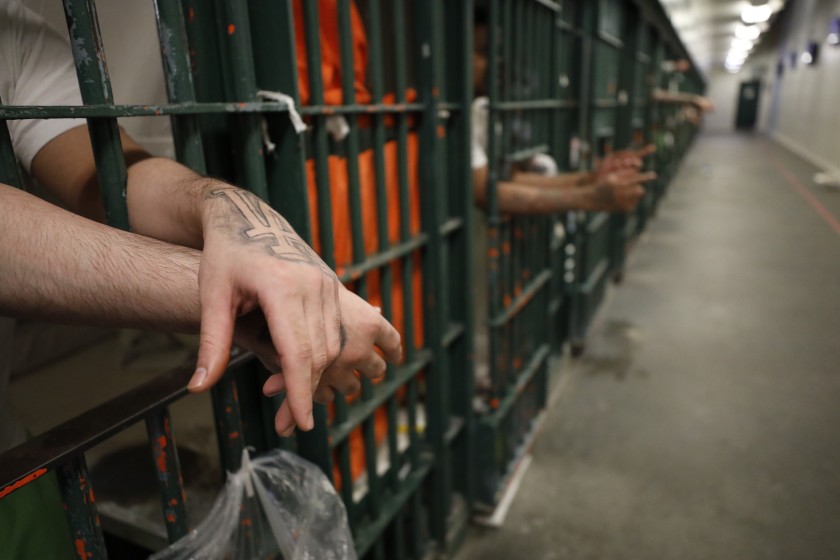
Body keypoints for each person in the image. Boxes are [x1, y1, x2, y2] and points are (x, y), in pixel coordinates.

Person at [470, 8, 658, 216]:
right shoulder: (454, 115)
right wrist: (589, 196)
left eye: (498, 53)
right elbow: (482, 190)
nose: (496, 63)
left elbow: (507, 178)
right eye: (484, 51)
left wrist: (590, 180)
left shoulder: (480, 109)